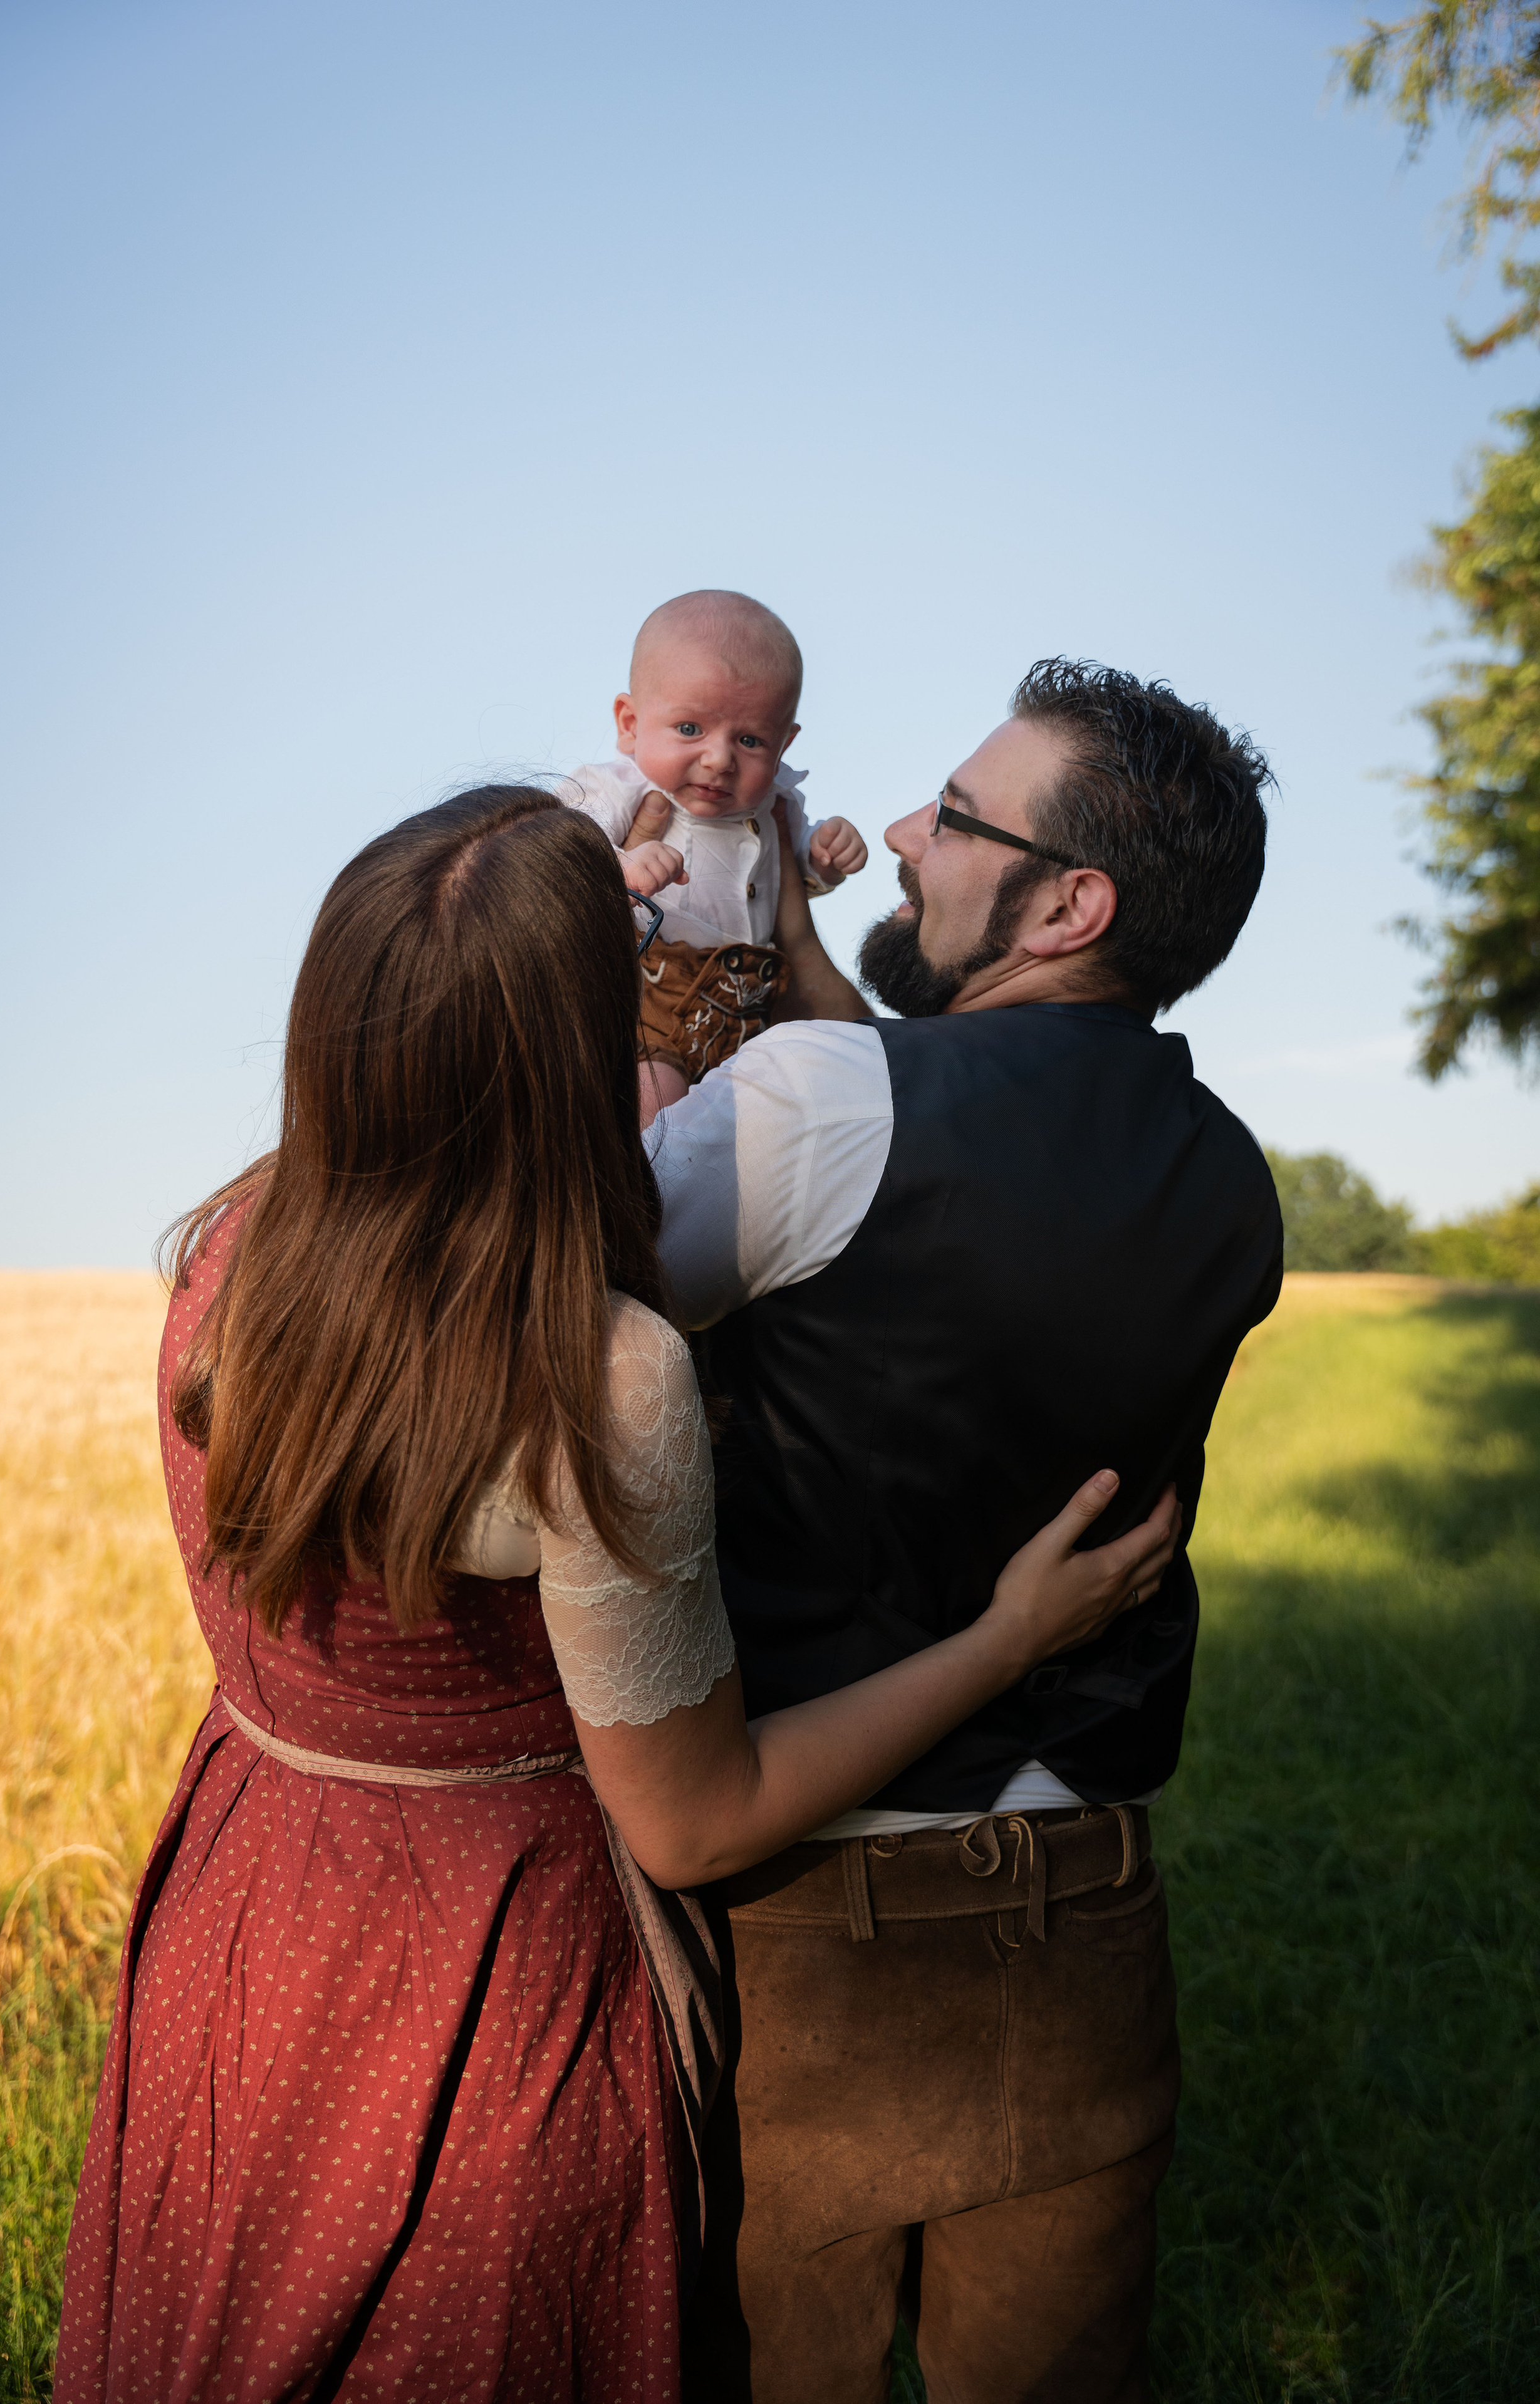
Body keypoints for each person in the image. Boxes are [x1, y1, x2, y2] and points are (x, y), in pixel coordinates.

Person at [54, 782, 1179, 2403]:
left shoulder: (233, 1242)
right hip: (485, 1973)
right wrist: (1009, 1632)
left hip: (250, 1901)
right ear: (580, 1037)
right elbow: (698, 1818)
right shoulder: (599, 1371)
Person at [651, 659, 1286, 2403]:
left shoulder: (817, 1103)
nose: (910, 836)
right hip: (1095, 1921)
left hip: (810, 1933)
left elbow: (577, 1296)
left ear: (1069, 902)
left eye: (958, 813)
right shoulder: (1235, 1179)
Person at [564, 588, 868, 1120]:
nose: (719, 758)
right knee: (656, 1104)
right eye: (689, 729)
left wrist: (821, 858)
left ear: (785, 744)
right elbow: (560, 842)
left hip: (749, 1004)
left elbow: (793, 878)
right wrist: (622, 866)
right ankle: (643, 1190)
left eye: (750, 740)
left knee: (766, 1116)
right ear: (630, 723)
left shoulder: (777, 807)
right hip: (651, 992)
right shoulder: (622, 786)